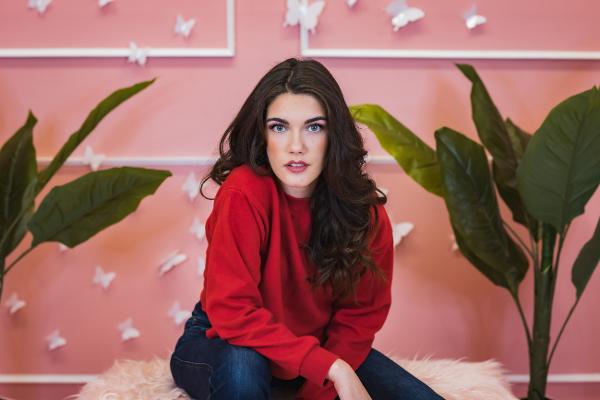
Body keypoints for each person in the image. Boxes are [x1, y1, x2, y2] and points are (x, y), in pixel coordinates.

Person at [170, 58, 443, 400]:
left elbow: (360, 317)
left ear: (333, 135)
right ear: (262, 134)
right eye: (279, 127)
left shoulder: (364, 212)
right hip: (223, 339)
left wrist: (319, 387)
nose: (295, 145)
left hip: (318, 345)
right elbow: (233, 312)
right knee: (244, 367)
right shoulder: (243, 193)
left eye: (314, 127)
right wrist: (333, 369)